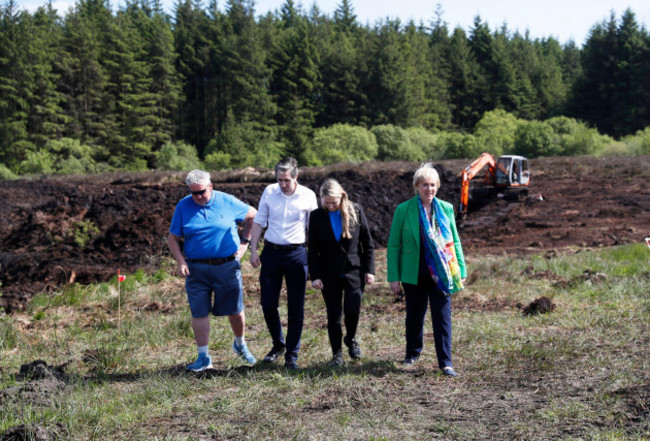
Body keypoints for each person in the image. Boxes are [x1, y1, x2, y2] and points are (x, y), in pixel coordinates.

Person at [168, 169, 258, 371]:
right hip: (196, 269)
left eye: (201, 192)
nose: (198, 197)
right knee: (198, 311)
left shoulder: (227, 201)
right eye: (194, 193)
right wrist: (180, 261)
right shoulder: (183, 206)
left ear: (210, 186)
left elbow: (253, 216)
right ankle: (203, 357)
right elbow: (172, 237)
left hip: (226, 266)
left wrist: (245, 243)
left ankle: (240, 344)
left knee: (235, 309)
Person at [387, 163, 466, 377]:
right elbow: (394, 245)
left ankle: (446, 362)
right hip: (414, 272)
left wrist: (461, 269)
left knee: (442, 317)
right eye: (424, 185)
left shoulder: (446, 208)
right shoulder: (403, 210)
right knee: (414, 315)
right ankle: (412, 353)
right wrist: (394, 277)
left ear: (437, 186)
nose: (428, 189)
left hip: (442, 272)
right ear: (416, 187)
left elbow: (455, 242)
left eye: (432, 185)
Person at [250, 157, 318, 370]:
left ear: (296, 176)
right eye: (280, 180)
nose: (283, 184)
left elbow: (313, 229)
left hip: (297, 254)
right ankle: (278, 344)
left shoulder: (308, 196)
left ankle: (292, 354)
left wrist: (316, 259)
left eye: (287, 180)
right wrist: (253, 250)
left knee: (296, 306)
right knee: (268, 303)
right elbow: (260, 220)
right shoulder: (270, 192)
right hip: (271, 252)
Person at [308, 179, 375, 367]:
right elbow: (312, 249)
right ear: (321, 199)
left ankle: (351, 339)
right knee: (334, 315)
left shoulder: (355, 210)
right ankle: (336, 354)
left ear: (341, 197)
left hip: (354, 270)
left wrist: (370, 271)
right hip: (328, 272)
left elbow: (367, 243)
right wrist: (315, 276)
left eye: (334, 202)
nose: (330, 206)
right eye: (326, 202)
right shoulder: (316, 216)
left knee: (353, 308)